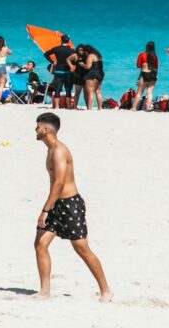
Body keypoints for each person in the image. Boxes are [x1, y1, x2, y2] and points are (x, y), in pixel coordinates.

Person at [32, 112, 112, 302]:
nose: (35, 130)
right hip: (55, 203)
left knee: (81, 248)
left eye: (37, 127)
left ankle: (106, 290)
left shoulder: (59, 151)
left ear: (45, 129)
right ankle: (44, 291)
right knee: (40, 244)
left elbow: (59, 183)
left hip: (69, 204)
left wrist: (45, 210)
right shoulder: (50, 149)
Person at [44, 35, 75, 103]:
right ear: (68, 41)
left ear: (61, 40)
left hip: (58, 71)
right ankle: (69, 106)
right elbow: (75, 60)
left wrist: (52, 62)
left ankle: (57, 106)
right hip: (68, 71)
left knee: (57, 89)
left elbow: (46, 54)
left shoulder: (57, 48)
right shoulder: (72, 50)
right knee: (68, 89)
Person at [132, 41, 158, 111]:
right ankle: (148, 107)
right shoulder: (155, 56)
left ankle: (133, 108)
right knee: (150, 92)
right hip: (153, 75)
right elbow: (156, 68)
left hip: (144, 74)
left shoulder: (142, 54)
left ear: (146, 47)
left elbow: (138, 65)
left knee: (139, 92)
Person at [78, 45, 104, 111]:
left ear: (87, 51)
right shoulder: (98, 55)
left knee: (90, 92)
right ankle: (100, 108)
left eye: (85, 52)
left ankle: (89, 108)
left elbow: (88, 66)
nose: (84, 53)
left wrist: (82, 64)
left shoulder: (91, 55)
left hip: (92, 74)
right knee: (98, 92)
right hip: (100, 74)